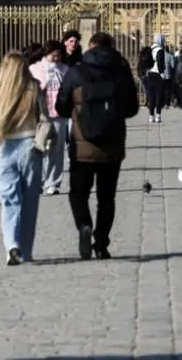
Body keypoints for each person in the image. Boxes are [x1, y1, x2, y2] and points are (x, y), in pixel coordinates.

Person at [54, 32, 139, 260]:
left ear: (90, 46)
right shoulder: (121, 71)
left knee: (78, 194)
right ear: (111, 47)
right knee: (106, 198)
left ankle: (84, 225)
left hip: (82, 145)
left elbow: (61, 106)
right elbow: (132, 108)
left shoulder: (76, 71)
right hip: (112, 145)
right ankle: (101, 244)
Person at [0, 52, 48, 266]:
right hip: (31, 146)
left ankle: (11, 245)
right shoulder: (33, 88)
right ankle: (26, 250)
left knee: (9, 201)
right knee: (29, 203)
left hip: (5, 148)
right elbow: (45, 118)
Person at [30, 40, 70, 195]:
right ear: (46, 53)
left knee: (57, 148)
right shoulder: (35, 69)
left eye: (59, 55)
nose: (56, 58)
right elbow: (31, 90)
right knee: (39, 146)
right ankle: (38, 180)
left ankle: (53, 182)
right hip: (41, 114)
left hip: (59, 114)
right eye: (53, 54)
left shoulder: (65, 69)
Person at [139, 33, 171, 123]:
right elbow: (160, 63)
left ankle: (151, 116)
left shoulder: (150, 48)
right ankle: (158, 116)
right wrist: (162, 74)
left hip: (150, 74)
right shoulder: (160, 50)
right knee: (158, 96)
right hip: (157, 74)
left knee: (151, 96)